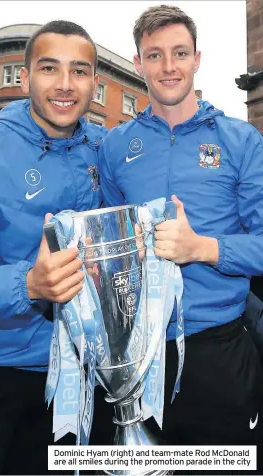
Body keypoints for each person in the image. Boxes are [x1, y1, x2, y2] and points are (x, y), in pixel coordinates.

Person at [99, 4, 263, 474]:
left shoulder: (241, 141)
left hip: (218, 352)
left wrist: (203, 249)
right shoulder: (115, 146)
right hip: (138, 357)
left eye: (179, 53)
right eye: (154, 55)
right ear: (138, 65)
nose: (168, 67)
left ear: (197, 59)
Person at [0, 20, 111, 476]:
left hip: (88, 374)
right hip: (0, 375)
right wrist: (28, 283)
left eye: (79, 71)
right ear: (26, 78)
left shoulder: (104, 150)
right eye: (50, 69)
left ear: (93, 82)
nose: (65, 85)